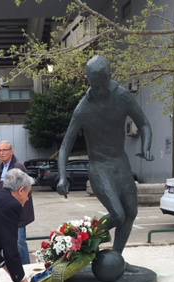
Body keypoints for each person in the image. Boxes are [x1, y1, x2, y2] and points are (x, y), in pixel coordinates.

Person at [57, 55, 152, 254]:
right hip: (99, 166)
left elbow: (143, 123)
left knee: (131, 213)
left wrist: (147, 146)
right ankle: (80, 243)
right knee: (117, 215)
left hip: (121, 164)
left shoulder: (123, 97)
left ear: (108, 77)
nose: (97, 89)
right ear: (88, 80)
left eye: (101, 84)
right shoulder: (83, 109)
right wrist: (63, 176)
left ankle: (116, 258)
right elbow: (66, 145)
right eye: (94, 84)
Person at [0, 141, 34, 264]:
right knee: (9, 243)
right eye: (0, 150)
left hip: (18, 212)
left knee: (19, 243)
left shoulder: (18, 166)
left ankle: (26, 268)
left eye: (5, 150)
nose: (2, 153)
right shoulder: (0, 167)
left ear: (12, 151)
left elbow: (24, 189)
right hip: (5, 212)